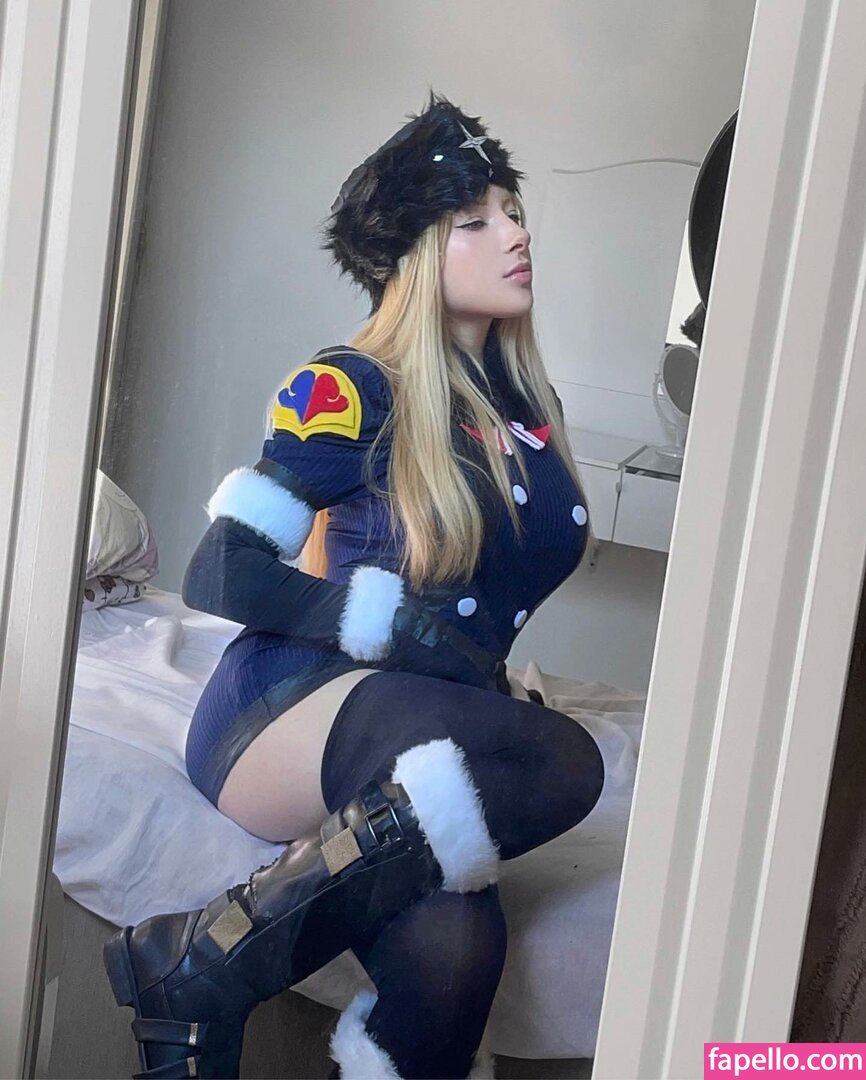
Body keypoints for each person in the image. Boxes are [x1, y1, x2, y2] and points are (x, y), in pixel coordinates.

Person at [102, 90, 606, 1080]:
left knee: (458, 951)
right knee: (561, 761)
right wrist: (396, 632)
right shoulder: (352, 386)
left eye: (513, 212)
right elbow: (220, 568)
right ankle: (206, 965)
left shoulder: (523, 408)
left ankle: (197, 975)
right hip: (291, 705)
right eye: (475, 220)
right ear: (414, 255)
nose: (515, 234)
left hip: (406, 719)